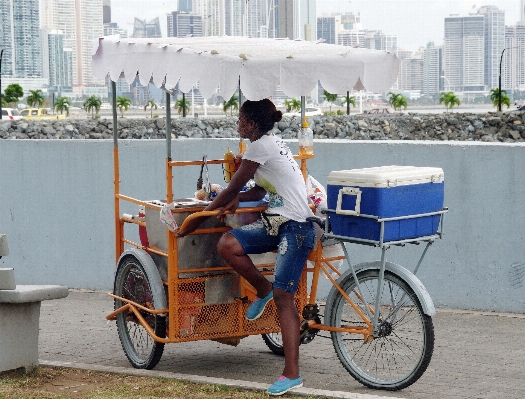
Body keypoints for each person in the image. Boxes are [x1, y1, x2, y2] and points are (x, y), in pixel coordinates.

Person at [177, 98, 316, 396]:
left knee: (285, 298)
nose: (237, 124)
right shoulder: (269, 143)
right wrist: (237, 198)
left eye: (240, 119)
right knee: (228, 245)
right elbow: (258, 187)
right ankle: (262, 290)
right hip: (276, 221)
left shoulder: (259, 147)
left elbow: (232, 186)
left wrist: (196, 219)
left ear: (251, 124)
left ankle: (292, 374)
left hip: (296, 227)